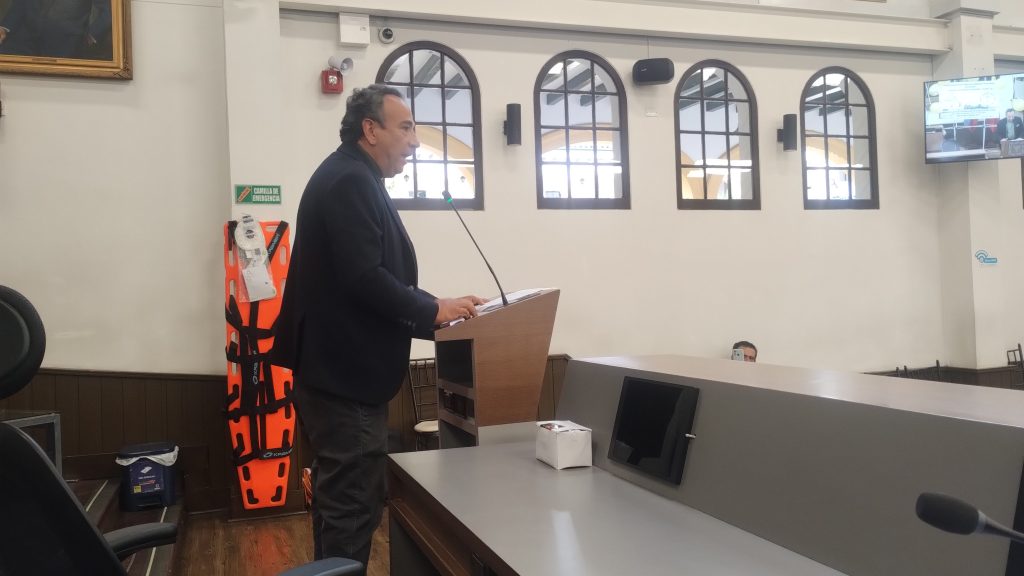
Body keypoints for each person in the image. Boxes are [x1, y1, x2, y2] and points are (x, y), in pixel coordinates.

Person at [271, 85, 484, 566]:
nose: (415, 141)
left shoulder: (353, 175)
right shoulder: (350, 180)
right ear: (370, 129)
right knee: (351, 509)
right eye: (405, 127)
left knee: (341, 506)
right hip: (345, 379)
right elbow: (364, 279)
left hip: (337, 374)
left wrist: (438, 306)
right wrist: (432, 311)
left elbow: (373, 278)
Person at [0, 0, 110, 59]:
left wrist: (92, 35)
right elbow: (20, 4)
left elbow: (111, 11)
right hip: (24, 39)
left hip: (66, 43)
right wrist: (4, 28)